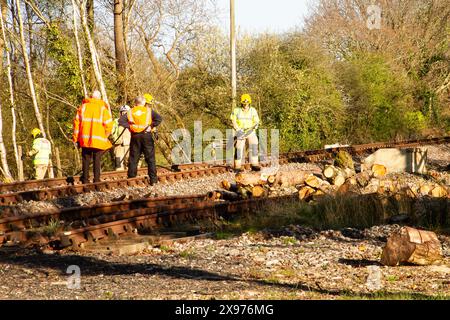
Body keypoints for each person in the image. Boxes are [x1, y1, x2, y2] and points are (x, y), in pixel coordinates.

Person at [120, 94, 162, 185]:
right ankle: (153, 180)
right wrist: (151, 126)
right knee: (150, 158)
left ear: (135, 103)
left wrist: (130, 127)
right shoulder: (149, 111)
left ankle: (131, 179)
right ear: (143, 103)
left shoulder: (130, 112)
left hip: (135, 136)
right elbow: (159, 119)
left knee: (133, 158)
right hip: (146, 136)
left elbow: (121, 121)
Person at [73, 90, 113, 184]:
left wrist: (76, 138)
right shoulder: (102, 108)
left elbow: (76, 124)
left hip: (85, 139)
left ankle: (85, 180)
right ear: (99, 98)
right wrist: (105, 136)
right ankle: (96, 180)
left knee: (86, 159)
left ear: (91, 97)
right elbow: (109, 125)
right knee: (97, 160)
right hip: (98, 140)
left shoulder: (83, 107)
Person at [230, 93, 261, 172]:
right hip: (240, 131)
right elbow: (233, 120)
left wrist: (254, 127)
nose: (245, 105)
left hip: (250, 131)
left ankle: (254, 164)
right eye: (244, 103)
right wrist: (238, 129)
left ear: (249, 103)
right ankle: (237, 166)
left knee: (254, 145)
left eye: (247, 103)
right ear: (241, 103)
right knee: (239, 147)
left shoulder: (253, 110)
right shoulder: (236, 110)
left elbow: (257, 121)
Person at [111, 105, 131, 171]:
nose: (123, 113)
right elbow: (111, 132)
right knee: (118, 164)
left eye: (125, 112)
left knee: (129, 164)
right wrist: (115, 139)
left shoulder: (131, 122)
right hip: (118, 145)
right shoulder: (116, 121)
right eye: (122, 112)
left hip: (129, 145)